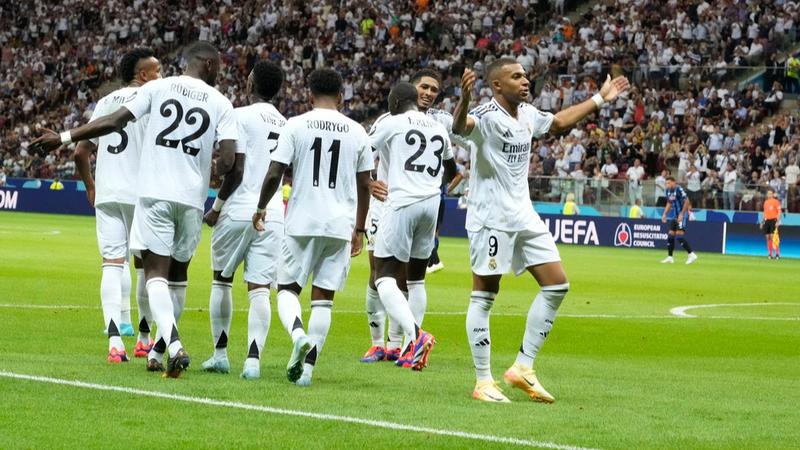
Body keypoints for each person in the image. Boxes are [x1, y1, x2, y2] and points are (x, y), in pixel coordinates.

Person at [32, 41, 242, 378]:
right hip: (191, 198)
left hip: (153, 193)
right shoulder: (221, 102)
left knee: (151, 272)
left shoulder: (157, 89)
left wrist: (65, 136)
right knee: (177, 276)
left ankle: (167, 344)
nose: (220, 70)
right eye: (218, 64)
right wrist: (214, 170)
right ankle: (156, 344)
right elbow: (230, 160)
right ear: (205, 64)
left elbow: (113, 122)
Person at [452, 58, 629, 403]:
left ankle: (523, 367)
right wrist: (462, 99)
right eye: (516, 77)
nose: (525, 81)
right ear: (497, 85)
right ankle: (483, 381)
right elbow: (461, 127)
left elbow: (560, 122)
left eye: (525, 76)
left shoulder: (528, 114)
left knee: (557, 285)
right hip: (491, 218)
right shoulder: (487, 116)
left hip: (524, 216)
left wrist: (600, 99)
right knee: (485, 296)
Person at [251, 68, 371, 387]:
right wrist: (359, 229)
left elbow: (276, 172)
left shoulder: (296, 124)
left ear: (309, 95)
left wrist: (261, 207)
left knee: (288, 289)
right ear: (342, 96)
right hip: (339, 224)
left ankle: (298, 334)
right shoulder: (358, 131)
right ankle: (306, 372)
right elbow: (365, 185)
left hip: (302, 220)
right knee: (323, 299)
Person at [361, 69, 461, 364]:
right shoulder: (437, 127)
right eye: (424, 88)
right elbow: (453, 170)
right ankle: (396, 348)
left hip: (398, 201)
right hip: (428, 204)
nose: (429, 93)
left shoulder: (391, 121)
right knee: (414, 281)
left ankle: (413, 337)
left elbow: (362, 150)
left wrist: (367, 183)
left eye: (434, 89)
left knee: (383, 277)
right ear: (414, 93)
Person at [72, 48, 162, 363]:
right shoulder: (153, 100)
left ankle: (114, 344)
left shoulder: (105, 102)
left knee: (112, 264)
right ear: (144, 75)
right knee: (148, 268)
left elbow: (80, 152)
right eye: (157, 70)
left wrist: (91, 186)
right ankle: (143, 339)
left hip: (109, 193)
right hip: (143, 195)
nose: (160, 75)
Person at [200, 61, 286, 380]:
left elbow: (234, 167)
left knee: (222, 280)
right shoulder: (285, 122)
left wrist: (217, 206)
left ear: (251, 84)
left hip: (238, 208)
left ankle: (220, 354)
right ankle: (253, 360)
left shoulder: (238, 115)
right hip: (273, 211)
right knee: (260, 288)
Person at [661, 176, 698, 264]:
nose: (667, 185)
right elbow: (669, 203)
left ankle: (691, 254)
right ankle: (670, 257)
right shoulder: (667, 191)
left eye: (669, 183)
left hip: (682, 215)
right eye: (666, 183)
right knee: (670, 236)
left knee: (679, 236)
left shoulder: (679, 189)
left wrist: (682, 213)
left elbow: (687, 201)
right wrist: (664, 214)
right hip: (675, 216)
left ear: (674, 182)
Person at [761, 188, 781, 259]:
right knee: (767, 237)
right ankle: (770, 254)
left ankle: (777, 254)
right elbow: (765, 212)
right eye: (768, 193)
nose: (769, 195)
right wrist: (762, 222)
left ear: (772, 194)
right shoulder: (766, 202)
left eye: (770, 193)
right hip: (767, 221)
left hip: (773, 220)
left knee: (773, 237)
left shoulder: (776, 202)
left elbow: (779, 212)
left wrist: (778, 221)